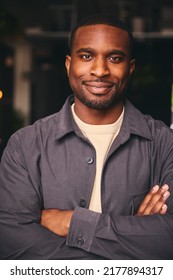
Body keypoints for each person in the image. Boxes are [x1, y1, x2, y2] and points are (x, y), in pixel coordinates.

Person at [0, 14, 173, 260]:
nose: (100, 70)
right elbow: (13, 246)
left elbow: (168, 240)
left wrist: (73, 223)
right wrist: (131, 241)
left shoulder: (165, 144)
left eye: (114, 58)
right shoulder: (25, 145)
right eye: (87, 56)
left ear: (130, 67)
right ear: (69, 64)